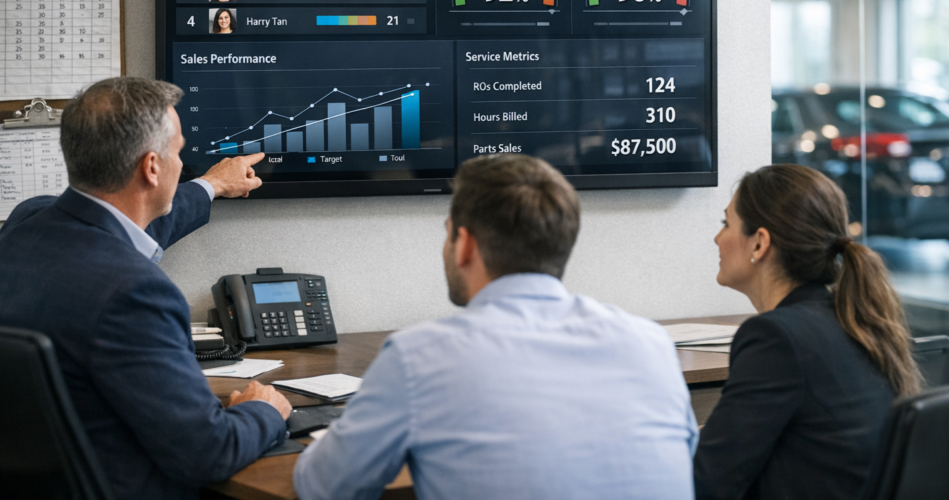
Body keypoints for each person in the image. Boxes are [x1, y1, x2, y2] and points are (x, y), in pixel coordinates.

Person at [293, 154, 698, 500]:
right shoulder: (651, 343)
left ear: (465, 244)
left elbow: (324, 486)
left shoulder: (419, 357)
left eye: (448, 235)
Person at [0, 77, 292, 500]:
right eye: (178, 152)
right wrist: (264, 411)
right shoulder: (136, 292)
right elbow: (208, 454)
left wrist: (212, 185)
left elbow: (120, 228)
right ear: (152, 167)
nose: (182, 163)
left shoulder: (26, 222)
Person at [694, 164, 921, 500]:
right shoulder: (851, 318)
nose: (717, 238)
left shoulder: (775, 337)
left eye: (726, 224)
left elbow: (707, 482)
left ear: (759, 244)